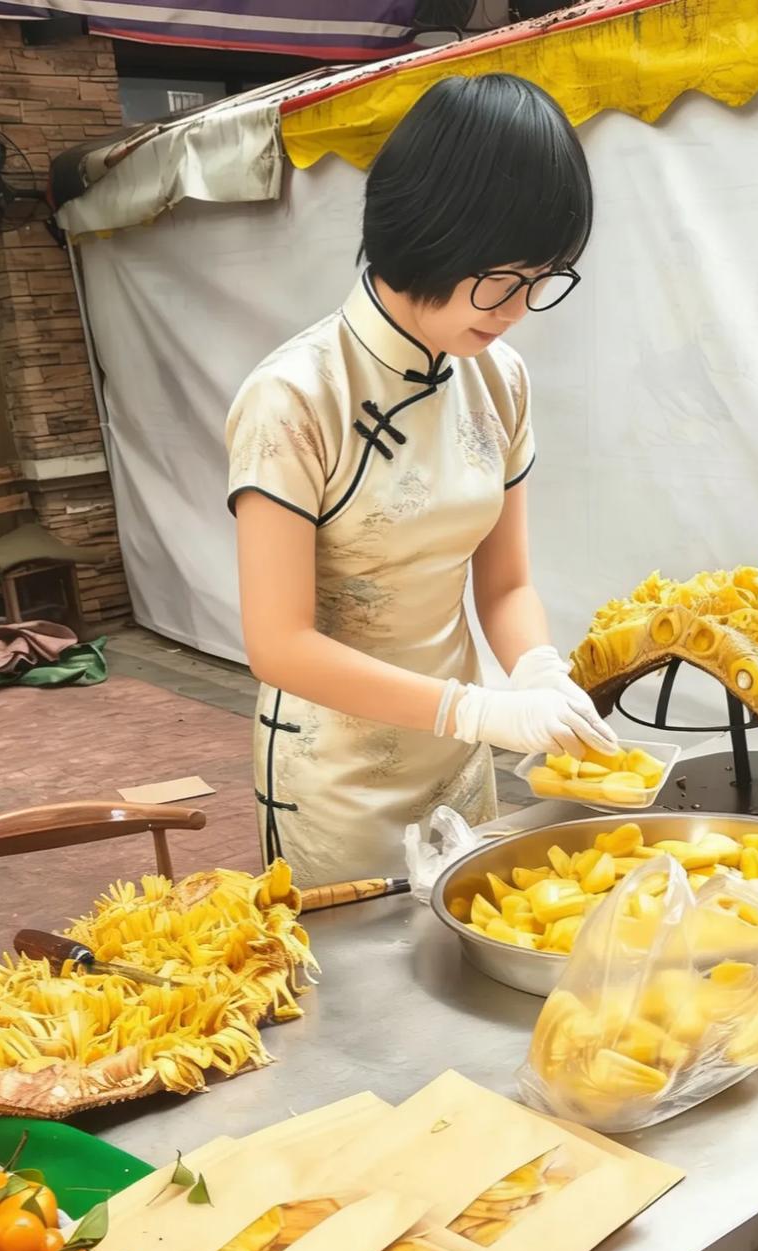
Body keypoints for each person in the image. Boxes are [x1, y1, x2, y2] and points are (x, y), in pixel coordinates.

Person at [227, 73, 617, 883]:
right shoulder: (296, 395)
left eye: (540, 281)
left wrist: (539, 674)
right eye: (502, 278)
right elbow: (279, 643)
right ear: (431, 230)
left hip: (461, 762)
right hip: (335, 783)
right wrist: (474, 707)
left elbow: (504, 585)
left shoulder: (499, 378)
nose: (516, 307)